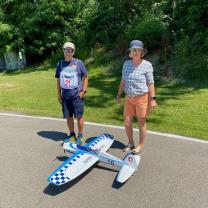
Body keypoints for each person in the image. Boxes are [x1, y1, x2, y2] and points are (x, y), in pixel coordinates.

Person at [116, 40, 157, 154]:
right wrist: (119, 94)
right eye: (133, 50)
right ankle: (131, 143)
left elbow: (150, 83)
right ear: (130, 52)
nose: (135, 52)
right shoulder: (126, 64)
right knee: (127, 121)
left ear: (141, 53)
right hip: (129, 97)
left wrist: (153, 99)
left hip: (142, 98)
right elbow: (123, 81)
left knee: (141, 122)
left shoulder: (147, 65)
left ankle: (140, 146)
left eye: (138, 50)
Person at [55, 41, 88, 144]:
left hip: (77, 96)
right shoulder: (60, 64)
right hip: (65, 97)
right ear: (64, 51)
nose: (68, 52)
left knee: (79, 116)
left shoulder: (79, 63)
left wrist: (83, 90)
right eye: (66, 50)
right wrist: (59, 94)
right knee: (69, 117)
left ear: (73, 52)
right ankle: (72, 135)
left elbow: (86, 77)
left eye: (70, 50)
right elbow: (58, 80)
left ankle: (80, 136)